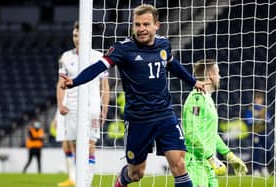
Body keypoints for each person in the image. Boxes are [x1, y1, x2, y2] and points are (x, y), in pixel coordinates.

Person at [60, 4, 210, 187]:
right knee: (136, 173)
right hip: (138, 120)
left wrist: (193, 81)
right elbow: (98, 67)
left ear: (157, 25)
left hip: (165, 116)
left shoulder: (164, 45)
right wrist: (74, 81)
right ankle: (122, 180)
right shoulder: (123, 49)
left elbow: (172, 63)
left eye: (146, 24)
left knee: (179, 164)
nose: (141, 29)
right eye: (137, 24)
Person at [56, 21, 110, 187]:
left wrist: (104, 109)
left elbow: (105, 86)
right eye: (74, 35)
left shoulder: (99, 57)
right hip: (71, 107)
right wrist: (60, 104)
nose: (77, 39)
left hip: (92, 107)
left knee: (90, 145)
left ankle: (86, 183)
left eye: (80, 35)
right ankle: (74, 179)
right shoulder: (66, 57)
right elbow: (60, 83)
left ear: (87, 36)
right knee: (73, 145)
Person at [182, 59, 248, 187]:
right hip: (196, 165)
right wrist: (211, 157)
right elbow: (191, 134)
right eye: (218, 72)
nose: (220, 76)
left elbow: (212, 134)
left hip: (209, 165)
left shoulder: (208, 99)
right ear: (210, 76)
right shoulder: (196, 99)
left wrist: (229, 156)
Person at [244, 91, 272, 177]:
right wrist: (257, 117)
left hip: (264, 132)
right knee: (256, 151)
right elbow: (248, 121)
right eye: (257, 98)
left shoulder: (264, 109)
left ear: (262, 100)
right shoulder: (250, 109)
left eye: (260, 99)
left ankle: (264, 168)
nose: (258, 101)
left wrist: (264, 118)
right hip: (254, 133)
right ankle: (256, 170)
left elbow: (269, 120)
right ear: (254, 100)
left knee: (266, 150)